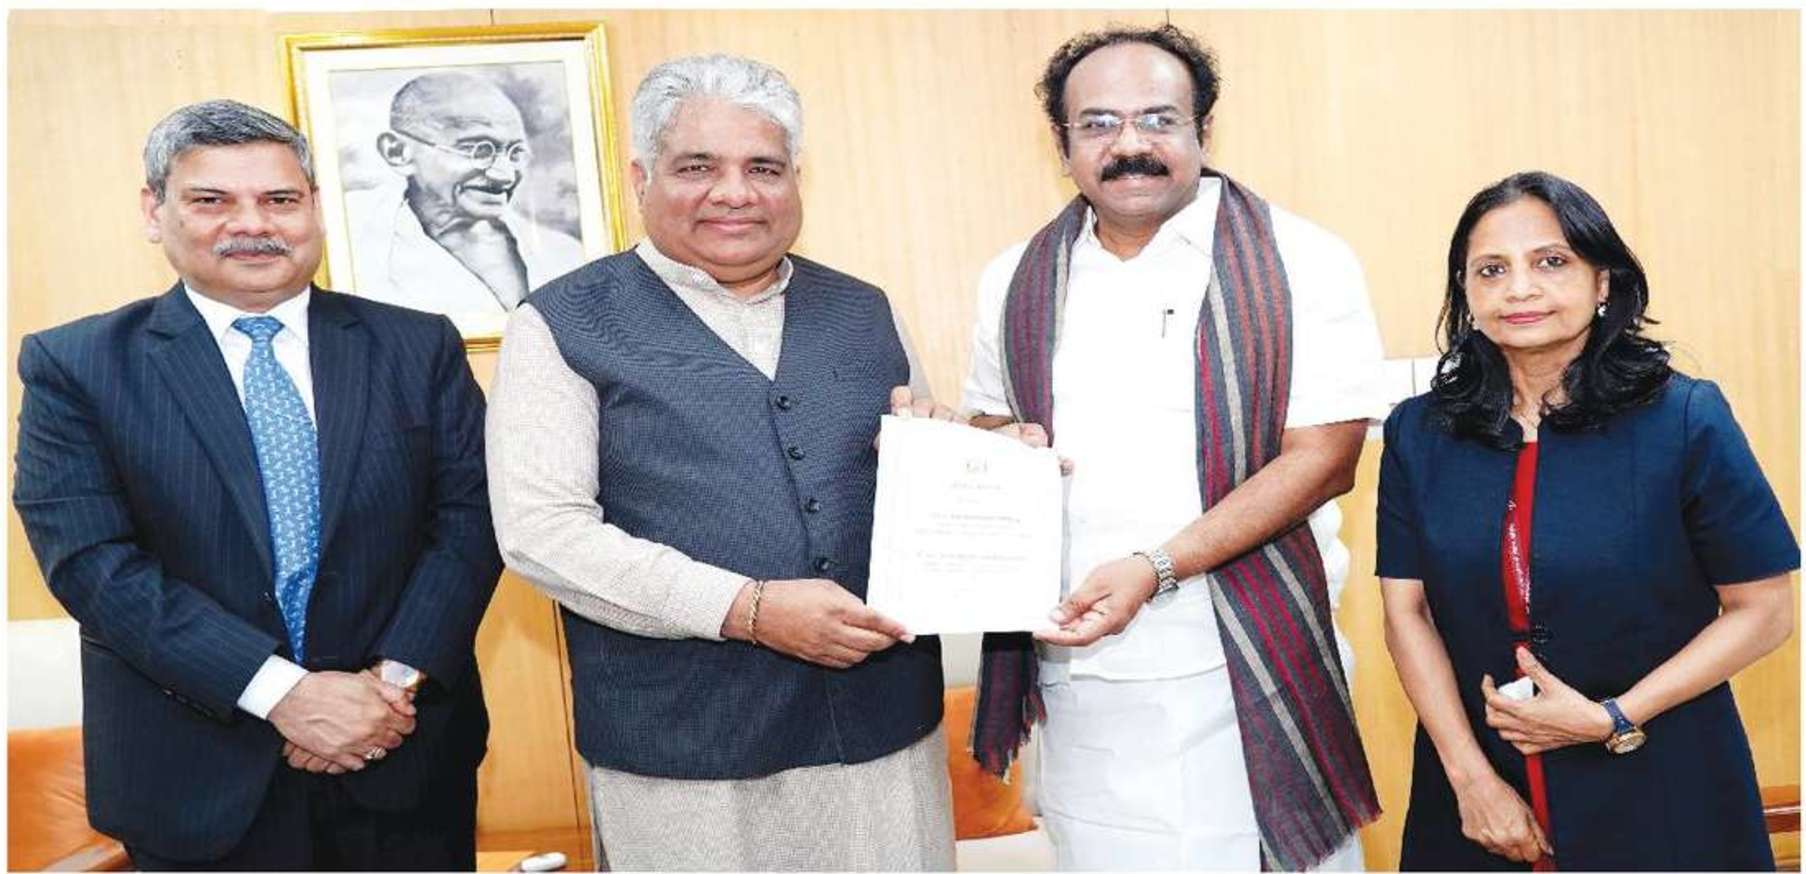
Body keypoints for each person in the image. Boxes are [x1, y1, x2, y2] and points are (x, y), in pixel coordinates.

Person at [486, 54, 956, 870]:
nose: (734, 193)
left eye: (763, 168)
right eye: (697, 167)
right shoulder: (561, 323)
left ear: (797, 179)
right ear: (642, 179)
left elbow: (918, 477)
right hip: (682, 755)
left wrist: (964, 458)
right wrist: (747, 609)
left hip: (882, 734)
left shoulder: (865, 308)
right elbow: (542, 533)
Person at [12, 99, 502, 870]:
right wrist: (285, 693)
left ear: (315, 208)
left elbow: (472, 521)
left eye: (279, 199)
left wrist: (389, 686)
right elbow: (92, 563)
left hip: (400, 758)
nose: (253, 224)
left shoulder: (418, 346)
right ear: (154, 212)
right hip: (193, 778)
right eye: (212, 200)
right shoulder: (77, 365)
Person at [960, 24, 1385, 871]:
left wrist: (1155, 568)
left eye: (1158, 119)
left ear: (1202, 131)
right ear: (1063, 145)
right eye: (1098, 123)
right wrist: (993, 448)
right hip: (1083, 678)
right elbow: (992, 425)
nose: (1130, 145)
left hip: (1249, 668)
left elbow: (1324, 459)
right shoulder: (1014, 279)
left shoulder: (1303, 259)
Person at [1378, 171, 1796, 870]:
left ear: (1602, 281)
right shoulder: (1419, 432)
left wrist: (1613, 716)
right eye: (1491, 270)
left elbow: (1765, 610)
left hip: (1659, 773)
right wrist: (1470, 780)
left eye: (1551, 261)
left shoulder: (1684, 418)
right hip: (1480, 786)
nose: (1520, 288)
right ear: (1466, 292)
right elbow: (1406, 613)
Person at [346, 70, 586, 313]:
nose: (505, 175)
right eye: (479, 150)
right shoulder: (352, 243)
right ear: (398, 152)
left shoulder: (564, 254)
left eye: (515, 153)